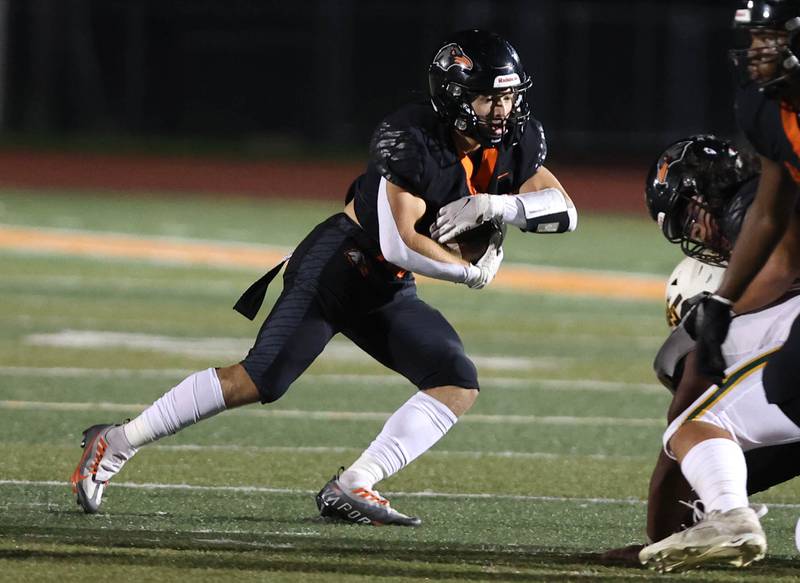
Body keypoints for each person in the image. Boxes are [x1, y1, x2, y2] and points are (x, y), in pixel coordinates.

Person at [70, 29, 577, 526]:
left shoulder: (515, 140)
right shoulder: (409, 138)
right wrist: (469, 272)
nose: (503, 110)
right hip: (339, 264)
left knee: (455, 381)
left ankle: (353, 483)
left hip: (388, 286)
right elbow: (395, 242)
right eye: (490, 99)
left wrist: (498, 204)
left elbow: (563, 210)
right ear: (455, 96)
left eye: (509, 96)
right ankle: (116, 441)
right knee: (259, 380)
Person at [601, 135, 800, 567]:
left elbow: (679, 440)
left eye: (688, 224)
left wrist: (658, 539)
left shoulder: (752, 212)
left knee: (697, 426)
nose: (700, 240)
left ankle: (730, 516)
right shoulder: (772, 182)